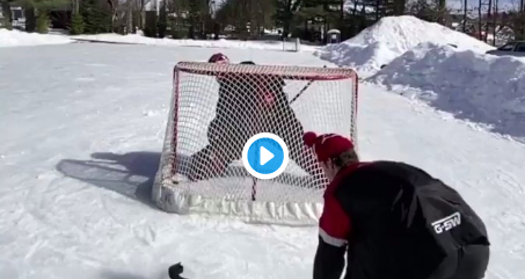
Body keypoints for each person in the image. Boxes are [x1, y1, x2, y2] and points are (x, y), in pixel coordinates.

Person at [304, 131, 490, 279]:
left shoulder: (340, 189)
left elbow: (330, 253)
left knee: (362, 250)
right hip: (473, 247)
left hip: (428, 263)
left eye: (320, 166)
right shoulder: (390, 170)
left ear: (328, 163)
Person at [187, 54, 319, 183]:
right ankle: (203, 170)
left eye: (223, 66)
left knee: (298, 150)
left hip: (277, 129)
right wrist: (215, 130)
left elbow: (285, 113)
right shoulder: (227, 88)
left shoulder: (259, 78)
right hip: (244, 134)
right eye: (217, 71)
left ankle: (326, 175)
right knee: (216, 155)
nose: (221, 73)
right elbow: (224, 116)